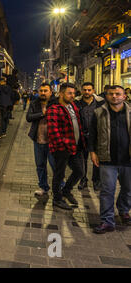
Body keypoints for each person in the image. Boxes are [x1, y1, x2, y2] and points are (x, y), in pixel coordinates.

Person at [89, 85, 131, 234]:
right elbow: (92, 133)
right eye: (111, 94)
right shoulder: (99, 112)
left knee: (128, 189)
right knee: (107, 190)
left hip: (128, 159)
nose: (114, 96)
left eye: (118, 94)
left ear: (124, 96)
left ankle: (124, 210)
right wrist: (92, 152)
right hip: (107, 159)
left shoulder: (130, 112)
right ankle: (107, 221)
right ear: (106, 96)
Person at [47, 82, 85, 210]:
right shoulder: (54, 109)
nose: (72, 95)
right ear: (61, 93)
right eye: (69, 93)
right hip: (62, 149)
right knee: (59, 174)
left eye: (74, 93)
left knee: (80, 171)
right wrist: (62, 145)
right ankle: (57, 199)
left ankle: (66, 190)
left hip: (75, 146)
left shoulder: (73, 106)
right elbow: (53, 131)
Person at [26, 83, 56, 196]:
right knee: (40, 165)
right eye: (41, 91)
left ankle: (60, 187)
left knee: (55, 165)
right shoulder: (34, 103)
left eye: (45, 91)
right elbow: (28, 118)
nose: (43, 93)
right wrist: (42, 114)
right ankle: (43, 187)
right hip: (38, 139)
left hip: (53, 141)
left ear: (50, 92)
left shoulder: (55, 103)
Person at [74, 82, 104, 191]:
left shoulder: (101, 102)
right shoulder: (76, 102)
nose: (87, 92)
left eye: (89, 90)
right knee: (82, 159)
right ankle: (83, 179)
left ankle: (96, 181)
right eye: (85, 90)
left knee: (96, 158)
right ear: (82, 91)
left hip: (96, 135)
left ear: (93, 91)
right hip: (81, 135)